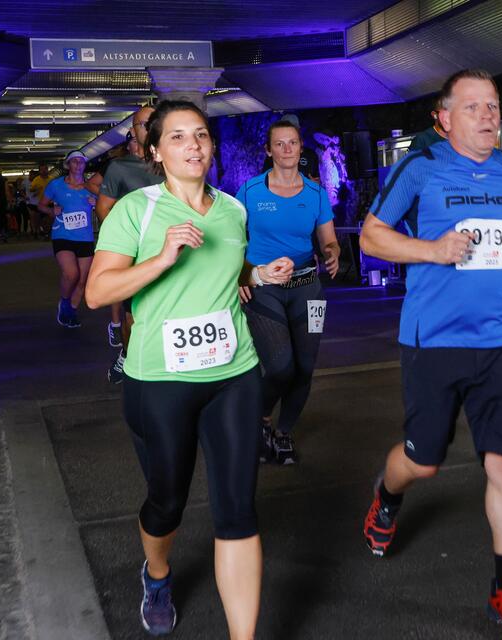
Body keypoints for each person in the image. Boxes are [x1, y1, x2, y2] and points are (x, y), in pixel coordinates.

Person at [86, 100, 293, 639]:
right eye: (177, 137)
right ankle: (156, 573)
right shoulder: (137, 211)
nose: (193, 146)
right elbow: (97, 291)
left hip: (233, 372)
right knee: (166, 501)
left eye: (200, 135)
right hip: (160, 379)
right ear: (155, 150)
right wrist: (160, 259)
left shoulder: (232, 209)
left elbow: (231, 265)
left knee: (238, 509)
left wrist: (260, 271)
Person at [359, 69, 502, 640]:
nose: (488, 116)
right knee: (425, 461)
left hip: (497, 342)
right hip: (433, 341)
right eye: (473, 107)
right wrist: (433, 250)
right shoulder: (422, 167)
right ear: (444, 118)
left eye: (493, 105)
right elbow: (370, 236)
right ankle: (386, 496)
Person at [237, 119, 340, 465]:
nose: (286, 150)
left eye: (292, 143)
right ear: (268, 151)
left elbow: (328, 238)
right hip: (265, 287)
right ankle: (260, 417)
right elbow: (232, 241)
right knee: (281, 366)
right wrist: (242, 276)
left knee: (306, 367)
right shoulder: (250, 191)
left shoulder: (316, 194)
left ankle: (283, 433)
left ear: (300, 148)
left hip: (308, 288)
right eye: (278, 144)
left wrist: (333, 253)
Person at [95, 106, 164, 382]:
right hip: (136, 257)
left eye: (152, 122)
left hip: (172, 253)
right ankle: (127, 356)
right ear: (133, 130)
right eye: (142, 124)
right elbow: (103, 209)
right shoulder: (120, 168)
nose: (147, 128)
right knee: (133, 319)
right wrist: (124, 248)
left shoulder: (172, 162)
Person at [37, 151, 96, 328]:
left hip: (85, 237)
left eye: (82, 162)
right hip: (62, 235)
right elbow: (41, 205)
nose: (78, 165)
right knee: (71, 274)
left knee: (83, 280)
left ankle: (70, 309)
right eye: (74, 162)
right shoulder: (56, 185)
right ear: (68, 165)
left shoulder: (91, 187)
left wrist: (97, 203)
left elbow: (106, 206)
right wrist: (50, 211)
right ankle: (64, 301)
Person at [260, 114, 319, 182]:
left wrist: (315, 185)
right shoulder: (274, 154)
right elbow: (265, 179)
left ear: (298, 131)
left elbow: (316, 179)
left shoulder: (311, 154)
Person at [30, 163, 54, 238]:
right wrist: (35, 190)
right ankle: (38, 231)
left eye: (45, 169)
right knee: (37, 218)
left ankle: (48, 231)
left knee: (50, 218)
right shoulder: (36, 179)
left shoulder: (52, 179)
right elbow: (31, 189)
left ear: (47, 170)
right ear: (39, 171)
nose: (43, 171)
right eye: (42, 170)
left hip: (50, 202)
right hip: (40, 202)